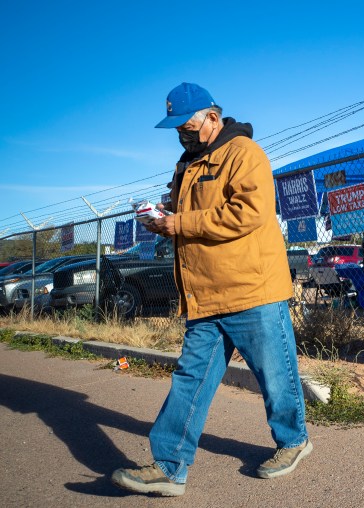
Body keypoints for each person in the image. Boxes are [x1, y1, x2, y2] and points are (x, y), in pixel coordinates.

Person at [111, 83, 311, 497]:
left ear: (212, 118)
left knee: (275, 376)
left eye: (186, 126)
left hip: (251, 288)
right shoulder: (187, 164)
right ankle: (169, 467)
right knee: (189, 379)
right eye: (177, 130)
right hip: (205, 294)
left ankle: (293, 441)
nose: (181, 136)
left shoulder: (244, 154)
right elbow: (193, 214)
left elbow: (250, 213)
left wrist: (179, 224)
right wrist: (165, 216)